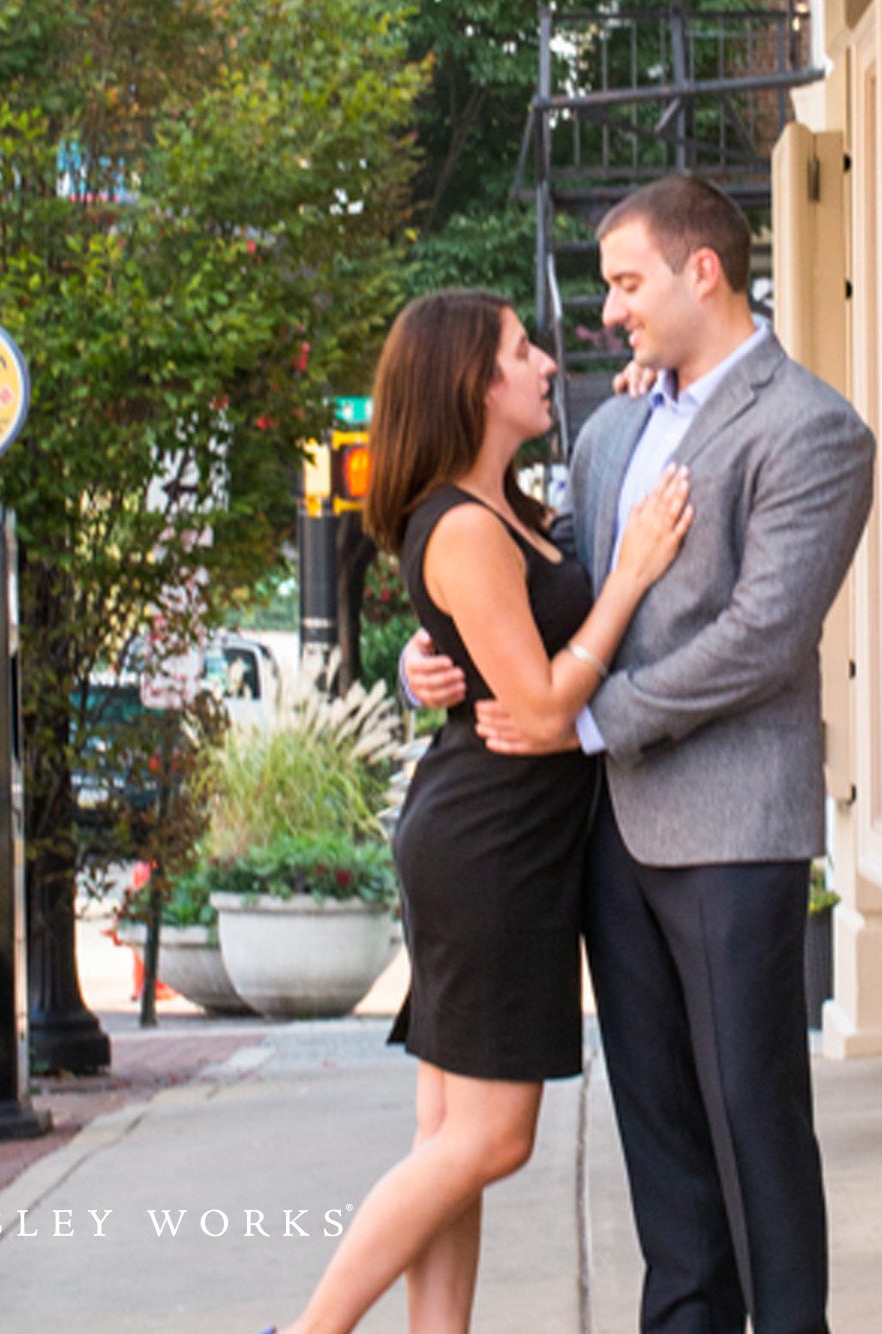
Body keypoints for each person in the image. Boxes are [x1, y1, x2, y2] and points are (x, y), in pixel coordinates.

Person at [406, 175, 875, 1333]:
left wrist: (592, 718)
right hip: (605, 834)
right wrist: (443, 652)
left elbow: (763, 635)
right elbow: (540, 580)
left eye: (626, 282)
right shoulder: (612, 428)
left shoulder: (813, 428)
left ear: (698, 270)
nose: (609, 311)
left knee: (751, 1114)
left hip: (728, 830)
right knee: (657, 1129)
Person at [272, 289, 692, 1334]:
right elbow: (545, 704)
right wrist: (632, 574)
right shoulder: (460, 528)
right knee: (493, 1138)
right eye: (521, 349)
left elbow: (505, 642)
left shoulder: (506, 508)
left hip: (500, 829)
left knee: (448, 1137)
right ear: (472, 381)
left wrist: (650, 388)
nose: (546, 361)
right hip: (491, 842)